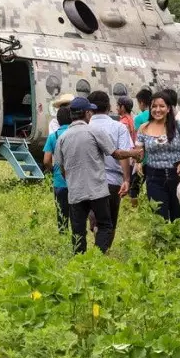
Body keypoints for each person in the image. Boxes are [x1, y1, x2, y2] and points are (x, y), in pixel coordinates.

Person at [54, 97, 142, 254]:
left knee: (78, 230)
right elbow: (116, 153)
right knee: (105, 225)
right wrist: (133, 153)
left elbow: (61, 168)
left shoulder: (62, 138)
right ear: (87, 113)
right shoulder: (95, 132)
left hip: (76, 192)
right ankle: (99, 258)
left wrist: (72, 181)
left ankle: (79, 262)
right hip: (97, 190)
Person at [136, 92, 180, 235]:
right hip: (154, 177)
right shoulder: (144, 128)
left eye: (162, 106)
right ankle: (161, 254)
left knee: (178, 218)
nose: (157, 109)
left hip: (177, 176)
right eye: (154, 106)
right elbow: (139, 151)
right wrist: (138, 162)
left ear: (168, 108)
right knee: (159, 219)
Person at [87, 91, 134, 240]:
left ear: (89, 109)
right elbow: (125, 155)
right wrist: (126, 179)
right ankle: (104, 252)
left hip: (88, 180)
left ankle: (94, 220)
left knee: (93, 209)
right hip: (113, 180)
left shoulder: (84, 127)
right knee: (110, 222)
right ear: (109, 106)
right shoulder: (119, 127)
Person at [43, 106, 72, 234]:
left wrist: (52, 169)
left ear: (58, 121)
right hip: (76, 182)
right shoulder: (74, 134)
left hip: (59, 182)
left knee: (62, 214)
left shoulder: (53, 136)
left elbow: (46, 160)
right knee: (77, 215)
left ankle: (63, 235)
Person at [129, 88, 154, 200]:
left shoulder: (139, 118)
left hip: (143, 158)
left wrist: (136, 159)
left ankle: (134, 208)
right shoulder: (157, 114)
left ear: (142, 103)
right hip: (155, 158)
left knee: (135, 185)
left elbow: (138, 140)